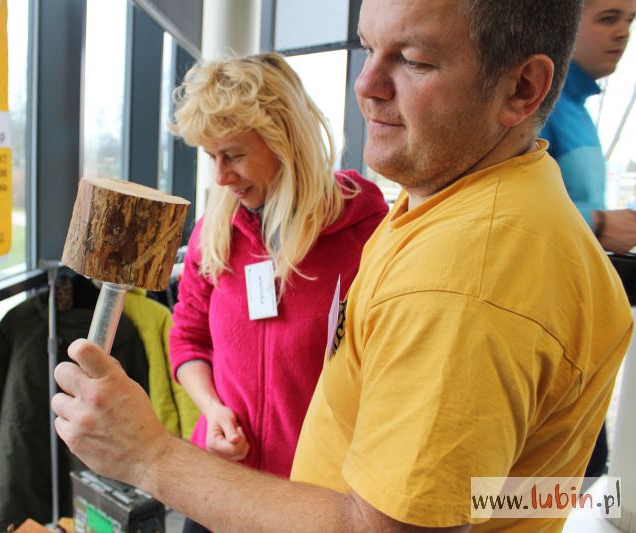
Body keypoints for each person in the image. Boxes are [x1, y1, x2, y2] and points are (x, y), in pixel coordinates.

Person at [51, 0, 633, 531]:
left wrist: (149, 454)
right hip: (249, 490)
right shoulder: (439, 210)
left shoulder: (461, 281)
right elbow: (499, 488)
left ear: (522, 88)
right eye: (366, 49)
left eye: (414, 60)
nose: (366, 85)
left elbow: (384, 525)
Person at [167, 53, 388, 531]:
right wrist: (213, 409)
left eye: (234, 155)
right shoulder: (214, 233)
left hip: (313, 499)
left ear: (285, 141)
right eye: (211, 157)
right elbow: (187, 340)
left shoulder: (368, 236)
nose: (220, 177)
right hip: (220, 483)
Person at [541, 0, 636, 481]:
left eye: (629, 22)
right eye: (607, 18)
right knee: (567, 477)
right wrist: (599, 222)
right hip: (546, 328)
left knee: (585, 474)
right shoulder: (543, 106)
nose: (622, 33)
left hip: (578, 334)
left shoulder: (577, 107)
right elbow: (504, 202)